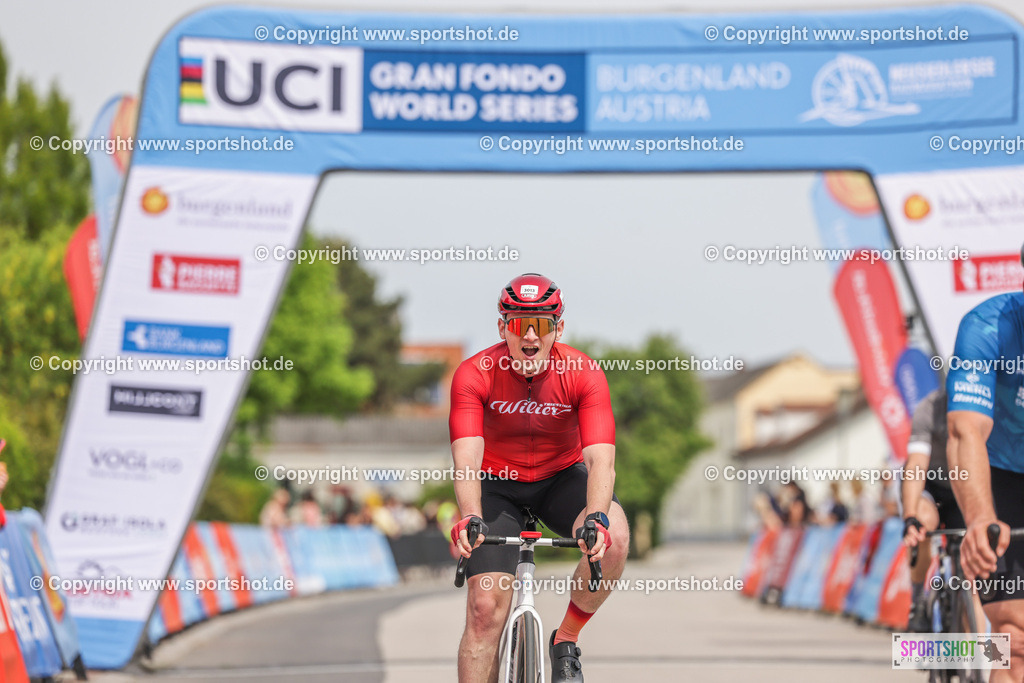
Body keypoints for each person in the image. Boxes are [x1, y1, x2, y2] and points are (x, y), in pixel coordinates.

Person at [449, 273, 629, 682]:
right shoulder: (474, 374)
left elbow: (602, 461)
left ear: (558, 329)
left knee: (614, 537)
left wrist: (597, 518)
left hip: (559, 479)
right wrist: (471, 515)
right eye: (518, 323)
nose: (530, 335)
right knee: (484, 607)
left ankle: (565, 637)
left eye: (543, 324)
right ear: (502, 327)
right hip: (496, 487)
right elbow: (466, 459)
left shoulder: (583, 373)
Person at [947, 244, 1024, 681]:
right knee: (1012, 640)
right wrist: (981, 520)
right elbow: (965, 432)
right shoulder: (986, 325)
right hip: (1001, 474)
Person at [902, 389, 970, 631]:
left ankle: (977, 659)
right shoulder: (929, 408)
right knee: (922, 523)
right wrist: (910, 516)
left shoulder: (987, 403)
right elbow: (917, 465)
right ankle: (918, 602)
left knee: (971, 569)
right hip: (929, 483)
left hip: (965, 484)